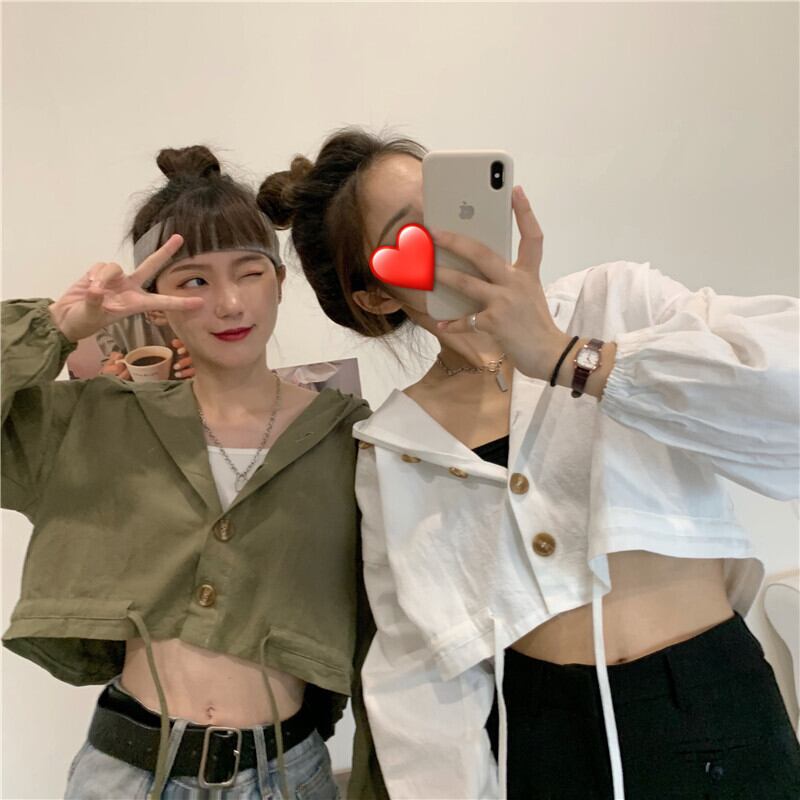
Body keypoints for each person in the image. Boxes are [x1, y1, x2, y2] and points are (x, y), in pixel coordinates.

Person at [259, 128, 800, 799]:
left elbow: (785, 394)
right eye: (413, 233)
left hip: (715, 704)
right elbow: (421, 672)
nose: (455, 238)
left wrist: (569, 356)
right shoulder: (395, 446)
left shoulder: (616, 303)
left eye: (452, 205)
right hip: (542, 741)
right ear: (377, 294)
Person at [1, 145, 382, 799]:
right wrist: (59, 327)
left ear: (279, 281)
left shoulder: (349, 437)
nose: (229, 303)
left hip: (289, 776)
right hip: (127, 776)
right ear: (154, 302)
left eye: (249, 273)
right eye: (194, 282)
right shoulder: (96, 420)